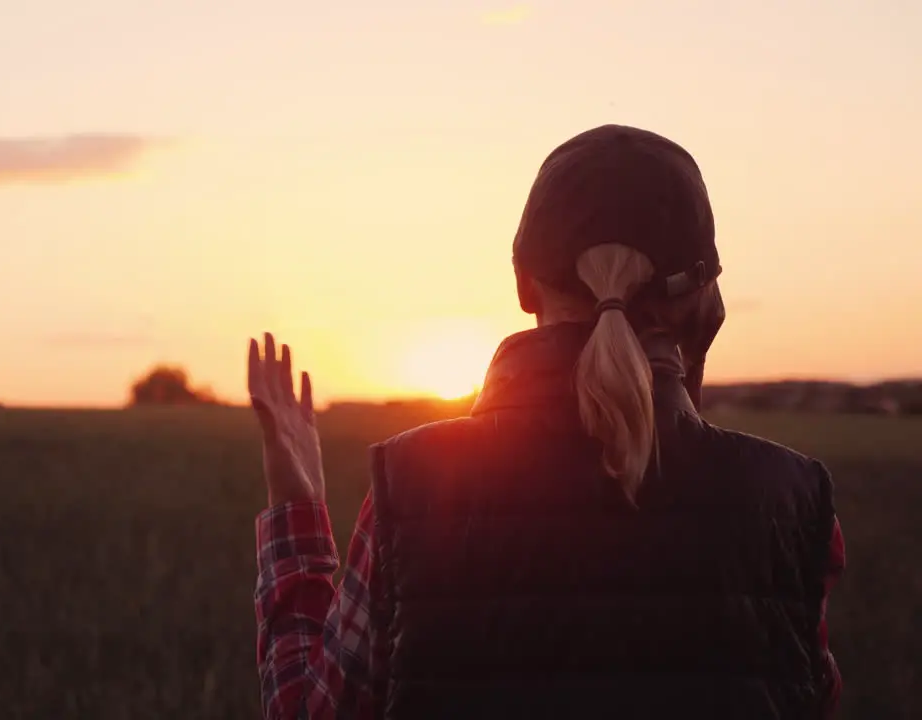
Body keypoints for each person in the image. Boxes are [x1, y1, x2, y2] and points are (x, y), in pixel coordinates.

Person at [246, 124, 844, 719]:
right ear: (701, 299)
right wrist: (688, 383)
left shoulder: (419, 485)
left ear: (524, 282)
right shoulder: (789, 502)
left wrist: (296, 504)